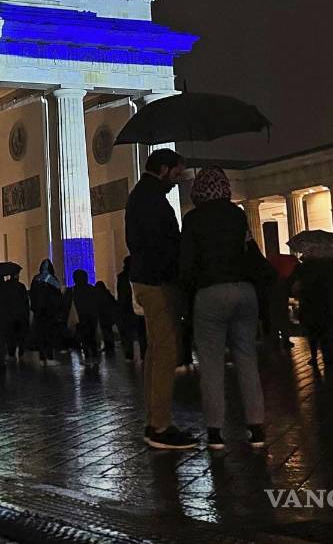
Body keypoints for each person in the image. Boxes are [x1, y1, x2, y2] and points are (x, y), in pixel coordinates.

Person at [179, 167, 267, 450]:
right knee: (246, 359)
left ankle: (215, 431)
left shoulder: (192, 220)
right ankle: (256, 426)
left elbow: (187, 264)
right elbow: (250, 252)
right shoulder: (237, 214)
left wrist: (187, 296)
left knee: (212, 364)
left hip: (210, 293)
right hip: (244, 291)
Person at [125, 147, 196, 450]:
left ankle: (155, 419)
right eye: (177, 174)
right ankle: (160, 426)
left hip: (145, 278)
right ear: (164, 169)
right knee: (166, 351)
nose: (178, 181)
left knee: (156, 351)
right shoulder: (152, 200)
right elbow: (162, 243)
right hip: (158, 281)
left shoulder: (142, 195)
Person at [291, 252, 333, 366]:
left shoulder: (301, 269)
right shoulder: (327, 268)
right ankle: (328, 355)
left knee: (312, 333)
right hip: (324, 303)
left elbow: (295, 286)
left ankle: (314, 356)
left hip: (308, 303)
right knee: (324, 331)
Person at [30, 260, 64, 365]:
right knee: (49, 335)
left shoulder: (36, 279)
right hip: (50, 313)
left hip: (38, 312)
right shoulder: (52, 280)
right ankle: (49, 357)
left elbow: (32, 295)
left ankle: (42, 358)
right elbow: (58, 295)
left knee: (40, 335)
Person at [115, 257, 147, 362]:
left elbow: (121, 294)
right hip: (138, 307)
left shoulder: (121, 277)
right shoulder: (138, 274)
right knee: (142, 333)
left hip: (127, 309)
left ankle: (129, 355)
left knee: (128, 334)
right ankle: (143, 354)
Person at [70, 270, 102, 369]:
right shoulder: (92, 289)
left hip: (80, 317)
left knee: (84, 338)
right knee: (92, 336)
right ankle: (95, 356)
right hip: (92, 316)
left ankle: (87, 356)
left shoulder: (73, 290)